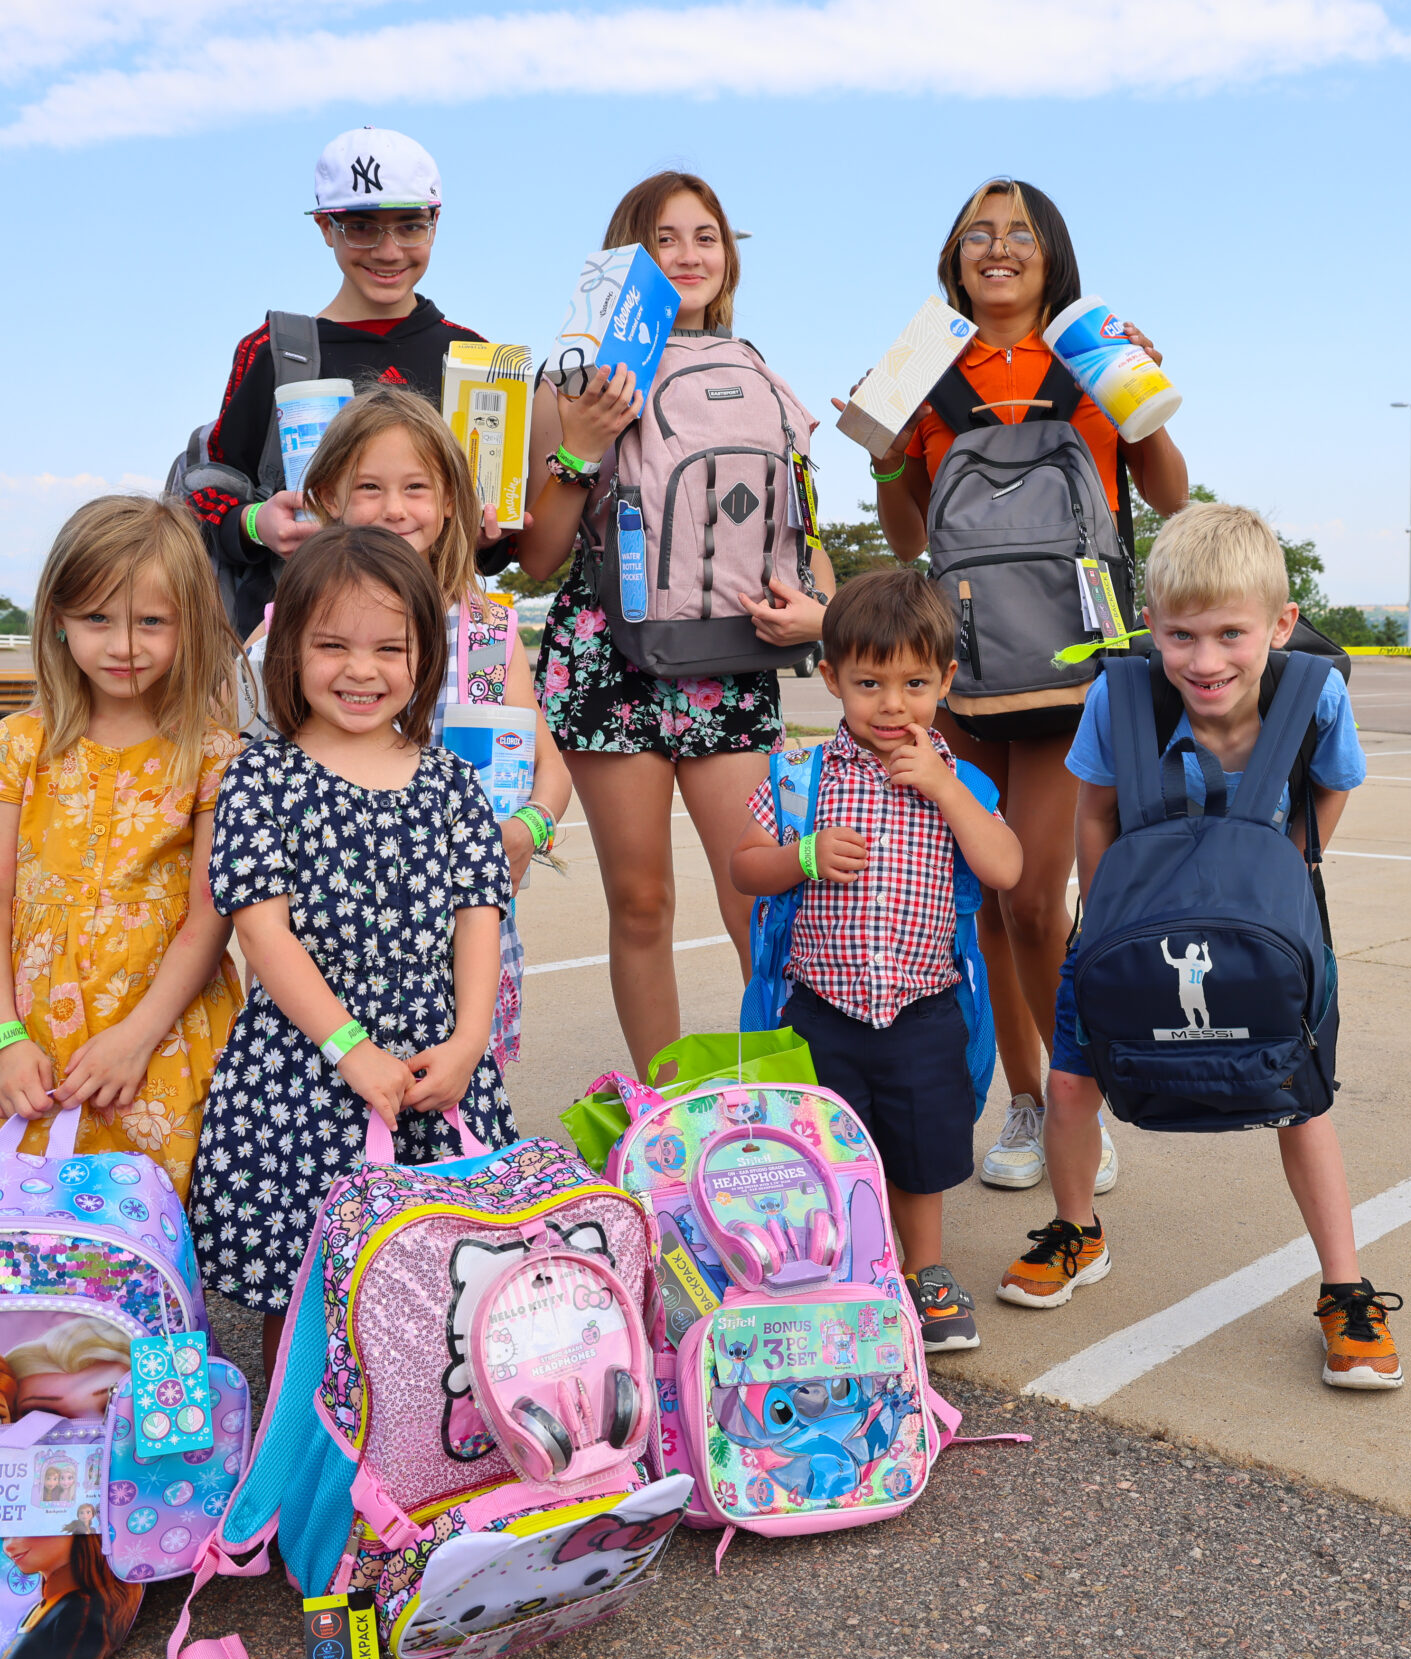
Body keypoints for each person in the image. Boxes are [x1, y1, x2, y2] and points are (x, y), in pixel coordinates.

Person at [994, 503, 1406, 1391]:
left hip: (1261, 923)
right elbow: (1093, 815)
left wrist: (1288, 870)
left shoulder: (1315, 695)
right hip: (1129, 914)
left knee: (1303, 1098)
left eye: (1230, 634)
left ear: (1281, 625)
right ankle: (1077, 1230)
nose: (1205, 660)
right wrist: (1103, 924)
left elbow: (1332, 789)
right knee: (1071, 1080)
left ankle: (1344, 1285)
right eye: (1180, 635)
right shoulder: (1121, 695)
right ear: (1153, 628)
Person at [855, 177, 1190, 1201]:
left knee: (1036, 895)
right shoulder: (927, 372)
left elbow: (1169, 499)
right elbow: (913, 538)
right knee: (992, 906)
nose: (995, 249)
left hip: (1072, 671)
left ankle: (1076, 1097)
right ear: (953, 262)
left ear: (1052, 256)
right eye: (974, 236)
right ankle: (1030, 1098)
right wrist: (880, 453)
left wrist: (1145, 395)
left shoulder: (1092, 353)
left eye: (1018, 235)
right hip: (964, 671)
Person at [523, 170, 835, 1074]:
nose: (692, 253)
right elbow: (539, 557)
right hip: (607, 658)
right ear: (632, 254)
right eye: (668, 237)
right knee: (643, 900)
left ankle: (785, 1100)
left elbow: (798, 531)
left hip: (733, 655)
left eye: (709, 235)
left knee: (760, 901)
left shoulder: (759, 372)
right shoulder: (576, 375)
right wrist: (580, 442)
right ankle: (665, 1115)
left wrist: (816, 611)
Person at [192, 527, 514, 1380]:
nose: (359, 669)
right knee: (302, 1293)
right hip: (306, 1070)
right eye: (331, 645)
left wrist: (472, 1039)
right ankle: (295, 1474)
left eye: (387, 647)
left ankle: (423, 1465)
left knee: (446, 1289)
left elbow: (480, 912)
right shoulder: (261, 778)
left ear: (425, 656)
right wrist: (349, 1048)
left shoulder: (450, 780)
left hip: (434, 1063)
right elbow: (263, 930)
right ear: (288, 651)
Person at [729, 570, 1023, 1352]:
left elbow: (1006, 868)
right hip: (821, 1005)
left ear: (946, 680)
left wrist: (946, 788)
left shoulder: (959, 780)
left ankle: (924, 1271)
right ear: (830, 678)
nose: (892, 704)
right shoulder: (801, 777)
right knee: (825, 1148)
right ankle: (839, 1269)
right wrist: (805, 855)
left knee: (921, 1151)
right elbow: (745, 869)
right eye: (868, 682)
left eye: (915, 683)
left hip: (923, 1005)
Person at [0, 496, 243, 1197]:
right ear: (57, 618)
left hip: (161, 1033)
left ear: (190, 624)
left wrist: (139, 1036)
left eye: (152, 621)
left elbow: (209, 914)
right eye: (97, 619)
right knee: (21, 1213)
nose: (124, 646)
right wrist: (1, 1039)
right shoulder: (22, 743)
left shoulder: (210, 754)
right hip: (30, 1032)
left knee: (144, 1222)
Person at [299, 385, 573, 1062]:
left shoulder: (482, 632)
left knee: (456, 1117)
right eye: (369, 486)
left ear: (451, 501)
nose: (394, 508)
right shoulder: (297, 626)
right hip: (326, 940)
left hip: (463, 936)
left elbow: (550, 769)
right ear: (330, 497)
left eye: (417, 487)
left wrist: (525, 829)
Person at [187, 126, 496, 634]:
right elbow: (205, 493)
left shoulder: (474, 357)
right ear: (325, 228)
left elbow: (490, 535)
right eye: (361, 227)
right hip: (301, 640)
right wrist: (254, 523)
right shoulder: (273, 351)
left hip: (439, 639)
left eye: (409, 226)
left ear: (435, 224)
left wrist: (489, 537)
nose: (389, 250)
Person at [0, 1529, 142, 1659]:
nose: (7, 1547)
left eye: (25, 1527)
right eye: (4, 1536)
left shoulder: (80, 1609)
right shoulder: (50, 1604)